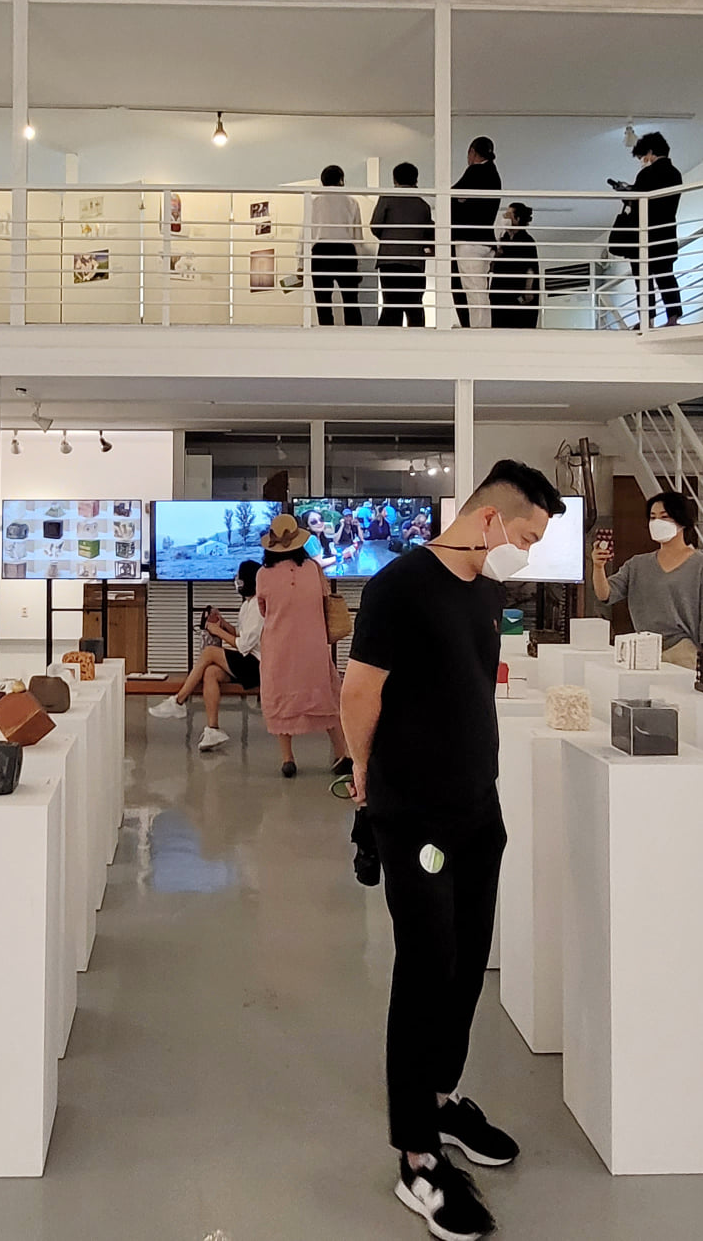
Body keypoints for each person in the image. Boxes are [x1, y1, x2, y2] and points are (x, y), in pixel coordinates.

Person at [342, 459, 564, 1240]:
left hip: (478, 810)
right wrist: (362, 770)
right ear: (491, 518)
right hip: (415, 815)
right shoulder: (399, 586)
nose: (527, 551)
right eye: (527, 535)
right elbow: (360, 690)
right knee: (426, 967)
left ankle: (441, 1097)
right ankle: (416, 1155)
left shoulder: (486, 591)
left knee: (467, 962)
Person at [256, 516, 349, 779]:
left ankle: (288, 759)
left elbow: (263, 610)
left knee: (281, 698)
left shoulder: (263, 575)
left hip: (278, 647)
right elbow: (324, 599)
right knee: (326, 697)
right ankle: (342, 754)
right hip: (313, 646)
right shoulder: (313, 569)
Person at [591, 489, 703, 663]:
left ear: (682, 520)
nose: (657, 522)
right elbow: (605, 594)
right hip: (644, 648)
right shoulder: (637, 564)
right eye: (653, 517)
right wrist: (598, 567)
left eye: (664, 517)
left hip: (684, 650)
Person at [148, 560, 262, 752]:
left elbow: (243, 645)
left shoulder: (259, 606)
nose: (237, 582)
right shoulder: (247, 605)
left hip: (257, 664)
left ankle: (178, 701)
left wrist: (217, 631)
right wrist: (222, 624)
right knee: (210, 672)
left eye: (240, 579)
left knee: (209, 652)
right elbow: (241, 635)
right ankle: (213, 729)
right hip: (246, 661)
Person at [607, 131, 683, 327]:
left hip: (642, 236)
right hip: (665, 234)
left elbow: (639, 201)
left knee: (643, 280)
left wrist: (627, 192)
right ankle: (673, 318)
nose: (643, 161)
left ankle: (647, 321)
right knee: (666, 276)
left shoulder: (647, 174)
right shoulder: (676, 174)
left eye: (642, 157)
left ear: (650, 152)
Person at [370, 163, 433, 326]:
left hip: (389, 259)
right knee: (414, 305)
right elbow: (428, 234)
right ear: (416, 179)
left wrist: (388, 238)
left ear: (394, 179)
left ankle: (386, 337)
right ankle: (418, 337)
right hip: (414, 261)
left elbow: (375, 226)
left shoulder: (387, 199)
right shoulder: (423, 206)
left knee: (391, 304)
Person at [450, 137, 501, 328]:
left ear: (472, 152)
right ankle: (481, 327)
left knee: (473, 288)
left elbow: (452, 195)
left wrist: (459, 202)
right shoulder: (494, 174)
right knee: (479, 287)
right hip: (485, 239)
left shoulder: (476, 171)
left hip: (470, 239)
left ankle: (479, 330)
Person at [310, 165, 366, 326]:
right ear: (341, 180)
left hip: (321, 251)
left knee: (323, 303)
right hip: (345, 251)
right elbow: (357, 236)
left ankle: (326, 334)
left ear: (322, 182)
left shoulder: (315, 202)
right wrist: (359, 264)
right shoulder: (352, 202)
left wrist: (301, 262)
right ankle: (355, 334)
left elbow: (307, 233)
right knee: (351, 301)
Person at [488, 202, 540, 329]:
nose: (504, 217)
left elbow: (531, 269)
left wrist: (528, 290)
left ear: (517, 219)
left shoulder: (527, 241)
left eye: (508, 215)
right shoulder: (503, 239)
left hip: (516, 295)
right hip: (500, 295)